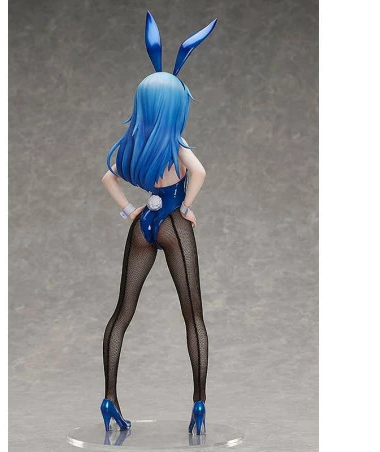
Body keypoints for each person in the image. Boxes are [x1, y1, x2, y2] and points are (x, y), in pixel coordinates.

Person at [99, 11, 217, 436]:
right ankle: (199, 403)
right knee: (193, 317)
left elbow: (108, 177)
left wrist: (129, 211)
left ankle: (109, 399)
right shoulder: (175, 143)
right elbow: (199, 172)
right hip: (172, 225)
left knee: (122, 313)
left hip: (143, 225)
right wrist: (186, 206)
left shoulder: (134, 142)